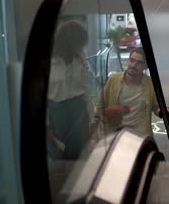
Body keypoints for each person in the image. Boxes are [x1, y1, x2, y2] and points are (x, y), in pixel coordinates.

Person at [47, 20, 91, 159]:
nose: (81, 46)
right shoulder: (49, 62)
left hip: (79, 110)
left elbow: (86, 90)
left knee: (81, 153)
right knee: (59, 153)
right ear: (67, 42)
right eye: (79, 42)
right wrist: (46, 126)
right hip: (56, 112)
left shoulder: (80, 58)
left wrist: (92, 118)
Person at [94, 47, 159, 136]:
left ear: (145, 66)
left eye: (139, 62)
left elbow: (156, 106)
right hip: (117, 135)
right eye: (131, 60)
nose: (133, 65)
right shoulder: (113, 80)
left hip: (140, 137)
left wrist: (163, 111)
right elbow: (99, 107)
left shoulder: (150, 84)